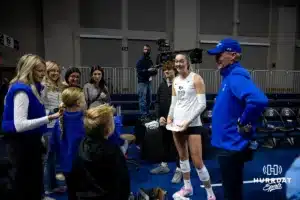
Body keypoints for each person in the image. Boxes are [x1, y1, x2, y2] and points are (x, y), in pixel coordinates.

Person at [207, 38, 268, 200]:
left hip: (231, 145)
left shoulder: (236, 76)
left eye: (220, 54)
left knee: (232, 192)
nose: (217, 58)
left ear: (233, 56)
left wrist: (243, 121)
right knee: (231, 188)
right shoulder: (228, 77)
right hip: (227, 144)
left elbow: (258, 100)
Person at [1, 54, 61, 200]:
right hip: (20, 144)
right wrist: (49, 118)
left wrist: (52, 112)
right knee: (22, 183)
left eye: (43, 70)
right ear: (29, 70)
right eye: (40, 71)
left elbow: (32, 114)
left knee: (33, 179)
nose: (43, 74)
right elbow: (20, 125)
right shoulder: (21, 90)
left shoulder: (33, 88)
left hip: (30, 142)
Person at [167, 54, 215, 200]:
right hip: (176, 125)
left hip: (192, 125)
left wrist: (188, 122)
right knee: (182, 157)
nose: (179, 64)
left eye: (181, 61)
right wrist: (170, 116)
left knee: (198, 162)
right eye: (176, 61)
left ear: (187, 62)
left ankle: (210, 194)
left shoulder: (196, 78)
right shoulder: (175, 80)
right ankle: (187, 187)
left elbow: (202, 104)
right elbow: (174, 103)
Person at [71, 104, 130, 200]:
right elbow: (123, 183)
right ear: (108, 129)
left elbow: (74, 178)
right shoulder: (113, 151)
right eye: (113, 120)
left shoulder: (80, 145)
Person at [49, 87, 86, 200]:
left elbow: (53, 146)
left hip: (66, 167)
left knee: (72, 193)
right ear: (78, 103)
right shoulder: (86, 121)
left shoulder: (58, 122)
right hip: (84, 166)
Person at [150, 60, 182, 184]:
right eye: (164, 70)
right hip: (164, 121)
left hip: (177, 121)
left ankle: (179, 170)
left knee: (178, 146)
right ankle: (164, 166)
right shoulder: (162, 85)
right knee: (165, 143)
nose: (166, 71)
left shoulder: (180, 84)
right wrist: (159, 117)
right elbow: (157, 102)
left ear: (174, 70)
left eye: (169, 69)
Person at [41, 61, 66, 195]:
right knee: (48, 158)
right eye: (53, 71)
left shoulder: (60, 87)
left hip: (58, 126)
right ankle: (47, 188)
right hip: (47, 126)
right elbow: (39, 108)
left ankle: (54, 185)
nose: (56, 73)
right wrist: (51, 112)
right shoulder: (43, 86)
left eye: (57, 71)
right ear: (47, 71)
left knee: (54, 158)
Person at [136, 44, 156, 120]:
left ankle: (147, 113)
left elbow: (153, 72)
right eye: (145, 49)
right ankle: (143, 115)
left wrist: (154, 71)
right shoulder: (140, 61)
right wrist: (148, 71)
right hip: (142, 82)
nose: (146, 51)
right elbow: (139, 72)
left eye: (148, 49)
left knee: (149, 99)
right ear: (143, 50)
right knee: (142, 99)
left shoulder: (150, 61)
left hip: (149, 82)